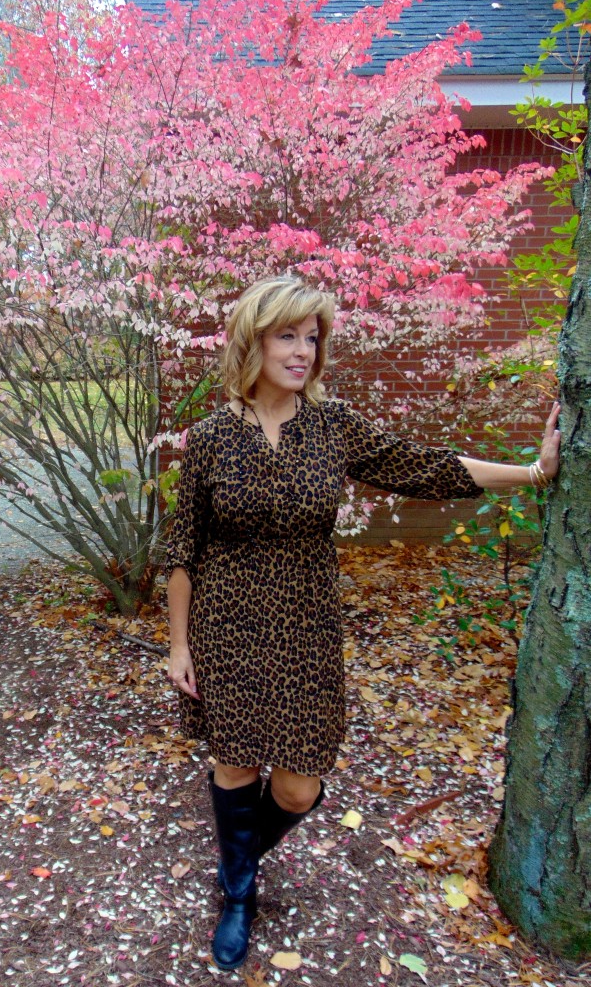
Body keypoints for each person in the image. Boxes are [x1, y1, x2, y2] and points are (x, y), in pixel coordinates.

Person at [164, 274, 561, 972]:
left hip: (305, 626)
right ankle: (237, 895)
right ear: (250, 341)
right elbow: (180, 551)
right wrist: (176, 646)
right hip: (225, 624)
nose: (301, 351)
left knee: (297, 785)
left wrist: (531, 472)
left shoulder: (330, 425)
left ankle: (239, 862)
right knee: (234, 765)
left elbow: (423, 468)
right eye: (286, 335)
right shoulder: (211, 439)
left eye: (311, 338)